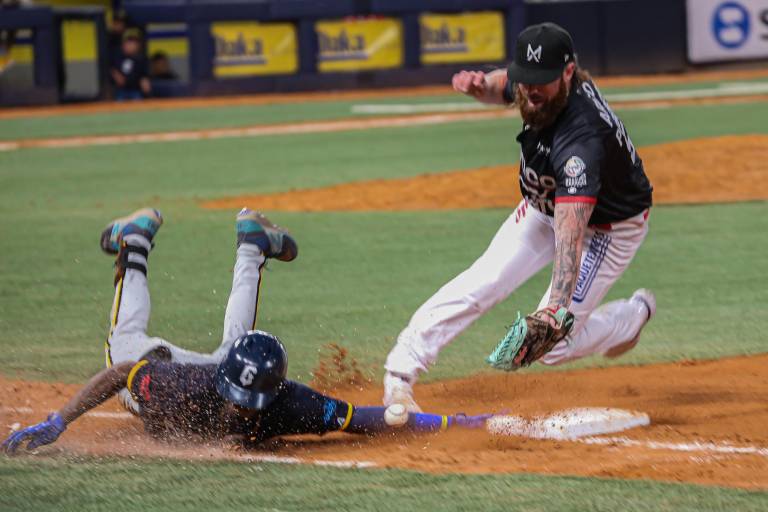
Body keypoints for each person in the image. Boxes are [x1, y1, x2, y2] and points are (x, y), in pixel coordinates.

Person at [3, 208, 488, 454]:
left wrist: (455, 424)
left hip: (217, 370)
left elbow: (371, 418)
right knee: (119, 351)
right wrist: (59, 421)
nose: (242, 411)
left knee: (233, 347)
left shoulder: (292, 402)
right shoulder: (180, 389)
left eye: (250, 402)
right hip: (165, 368)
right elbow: (122, 375)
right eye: (238, 397)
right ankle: (136, 242)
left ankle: (249, 247)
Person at [383, 22, 656, 412]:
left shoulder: (581, 139)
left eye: (541, 81)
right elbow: (506, 84)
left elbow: (571, 233)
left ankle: (629, 319)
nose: (531, 90)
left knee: (552, 347)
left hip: (606, 228)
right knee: (484, 280)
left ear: (568, 72)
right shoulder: (536, 85)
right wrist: (483, 89)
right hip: (544, 204)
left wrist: (555, 308)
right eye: (527, 79)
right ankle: (400, 373)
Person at [110, 28, 151, 101]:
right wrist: (116, 75)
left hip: (136, 90)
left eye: (133, 43)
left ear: (138, 45)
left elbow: (144, 75)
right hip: (121, 91)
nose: (130, 45)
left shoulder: (141, 59)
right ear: (123, 44)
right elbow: (112, 69)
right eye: (128, 42)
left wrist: (145, 81)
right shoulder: (117, 57)